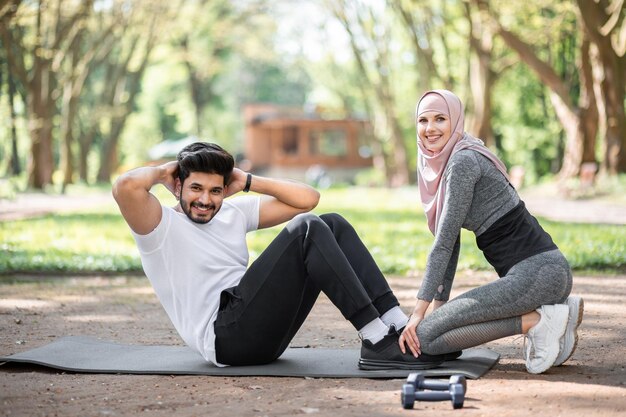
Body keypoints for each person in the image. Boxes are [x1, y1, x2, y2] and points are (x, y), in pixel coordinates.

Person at [112, 142, 444, 370]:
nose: (206, 200)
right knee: (307, 230)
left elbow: (308, 198)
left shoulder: (232, 213)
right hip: (225, 339)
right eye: (196, 188)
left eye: (215, 190)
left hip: (257, 329)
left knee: (332, 223)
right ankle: (375, 339)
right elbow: (124, 186)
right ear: (178, 185)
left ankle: (400, 330)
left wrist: (248, 181)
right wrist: (168, 170)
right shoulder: (160, 227)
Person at [398, 89, 584, 374]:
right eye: (423, 121)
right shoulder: (458, 157)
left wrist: (419, 313)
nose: (430, 128)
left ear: (456, 120)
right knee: (435, 331)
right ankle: (555, 315)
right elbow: (451, 242)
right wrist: (439, 306)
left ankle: (536, 321)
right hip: (545, 274)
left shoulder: (461, 162)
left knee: (425, 338)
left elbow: (444, 244)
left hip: (536, 275)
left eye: (440, 119)